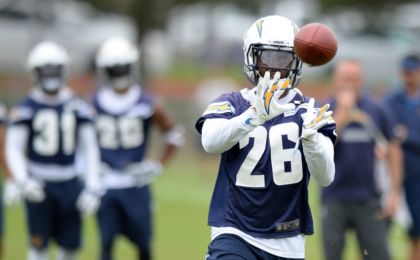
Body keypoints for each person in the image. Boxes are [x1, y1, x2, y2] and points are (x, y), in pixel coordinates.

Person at [195, 15, 336, 260]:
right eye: (267, 57)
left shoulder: (310, 112)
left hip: (287, 238)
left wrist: (312, 142)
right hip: (234, 230)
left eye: (284, 58)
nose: (276, 67)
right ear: (252, 58)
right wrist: (253, 116)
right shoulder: (233, 103)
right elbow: (209, 142)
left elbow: (325, 177)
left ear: (297, 59)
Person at [6, 41, 101, 260]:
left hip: (70, 183)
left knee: (70, 248)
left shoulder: (78, 106)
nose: (50, 75)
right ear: (34, 72)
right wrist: (23, 180)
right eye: (45, 70)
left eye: (55, 70)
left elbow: (90, 148)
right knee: (38, 247)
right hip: (39, 183)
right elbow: (13, 148)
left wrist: (93, 187)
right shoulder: (26, 108)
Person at [92, 37, 183, 260]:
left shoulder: (146, 102)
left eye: (122, 68)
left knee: (143, 246)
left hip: (136, 181)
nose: (119, 73)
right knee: (105, 245)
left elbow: (175, 134)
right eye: (115, 69)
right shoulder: (92, 103)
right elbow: (81, 142)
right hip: (106, 182)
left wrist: (158, 165)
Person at [321, 58, 402, 260]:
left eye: (356, 79)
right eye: (346, 78)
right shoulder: (325, 110)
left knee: (379, 255)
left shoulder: (377, 109)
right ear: (336, 80)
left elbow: (393, 149)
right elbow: (323, 147)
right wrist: (342, 113)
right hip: (333, 198)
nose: (351, 84)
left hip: (368, 198)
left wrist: (394, 194)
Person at [386, 54, 420, 260]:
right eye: (405, 73)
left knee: (417, 228)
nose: (408, 77)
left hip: (417, 174)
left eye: (412, 72)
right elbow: (387, 130)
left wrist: (407, 136)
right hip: (391, 174)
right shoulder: (392, 99)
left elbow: (399, 134)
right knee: (382, 224)